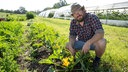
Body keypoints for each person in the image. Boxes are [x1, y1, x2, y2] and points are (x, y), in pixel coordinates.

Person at [66, 3, 106, 69]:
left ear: (84, 10)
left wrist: (88, 43)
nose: (77, 14)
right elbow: (72, 36)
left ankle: (97, 60)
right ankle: (74, 60)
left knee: (102, 42)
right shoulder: (73, 22)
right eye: (75, 13)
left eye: (79, 11)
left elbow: (100, 32)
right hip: (81, 42)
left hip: (93, 43)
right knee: (68, 45)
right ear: (73, 15)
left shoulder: (92, 17)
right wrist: (70, 45)